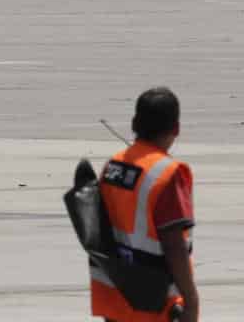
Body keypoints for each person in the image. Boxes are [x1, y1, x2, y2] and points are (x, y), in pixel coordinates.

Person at [91, 87, 197, 322]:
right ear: (176, 128)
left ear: (134, 123)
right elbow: (174, 245)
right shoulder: (167, 173)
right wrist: (191, 302)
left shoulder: (113, 167)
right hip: (154, 303)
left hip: (115, 297)